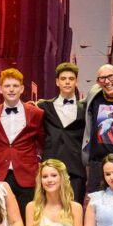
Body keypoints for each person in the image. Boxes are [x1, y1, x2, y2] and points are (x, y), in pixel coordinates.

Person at [0, 68, 45, 218]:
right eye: (7, 86)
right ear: (0, 89)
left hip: (27, 174)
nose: (11, 90)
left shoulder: (36, 113)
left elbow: (43, 142)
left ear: (22, 89)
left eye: (15, 86)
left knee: (27, 218)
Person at [38, 63, 87, 204]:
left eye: (71, 79)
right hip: (50, 170)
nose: (67, 82)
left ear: (76, 81)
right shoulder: (43, 106)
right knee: (48, 210)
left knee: (75, 210)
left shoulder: (85, 108)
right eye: (63, 78)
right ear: (57, 82)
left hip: (76, 170)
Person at [82, 64, 113, 194]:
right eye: (102, 78)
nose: (107, 81)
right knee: (95, 203)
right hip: (96, 164)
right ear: (98, 82)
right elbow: (80, 104)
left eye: (111, 77)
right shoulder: (94, 95)